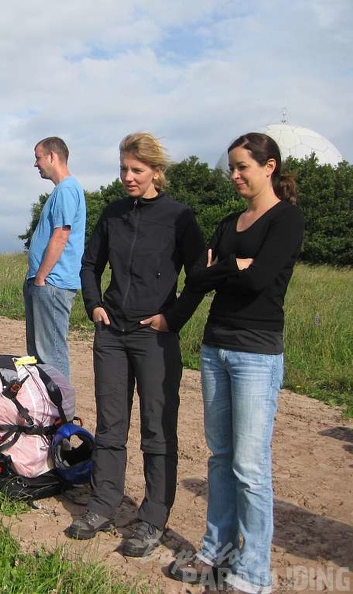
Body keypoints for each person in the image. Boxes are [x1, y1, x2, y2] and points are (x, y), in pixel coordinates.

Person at [169, 133, 305, 594]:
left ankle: (253, 572)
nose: (235, 175)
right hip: (215, 347)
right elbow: (199, 277)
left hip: (255, 352)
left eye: (243, 166)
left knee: (249, 465)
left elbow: (262, 280)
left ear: (269, 167)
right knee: (220, 457)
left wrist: (225, 269)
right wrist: (235, 266)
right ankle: (216, 549)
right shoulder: (230, 222)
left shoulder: (287, 219)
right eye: (231, 167)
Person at [68, 132, 205, 557]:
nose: (128, 177)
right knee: (110, 425)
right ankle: (104, 504)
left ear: (156, 173)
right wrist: (93, 305)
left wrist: (174, 318)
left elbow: (200, 276)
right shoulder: (113, 214)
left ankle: (152, 518)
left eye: (137, 170)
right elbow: (90, 264)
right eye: (124, 169)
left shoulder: (179, 218)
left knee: (157, 429)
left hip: (154, 337)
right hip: (111, 333)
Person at [25, 137, 86, 380]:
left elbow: (61, 234)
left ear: (52, 156)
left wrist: (41, 277)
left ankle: (62, 416)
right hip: (47, 282)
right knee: (40, 356)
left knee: (52, 356)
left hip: (52, 283)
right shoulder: (61, 191)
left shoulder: (67, 190)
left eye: (38, 157)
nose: (36, 164)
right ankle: (47, 411)